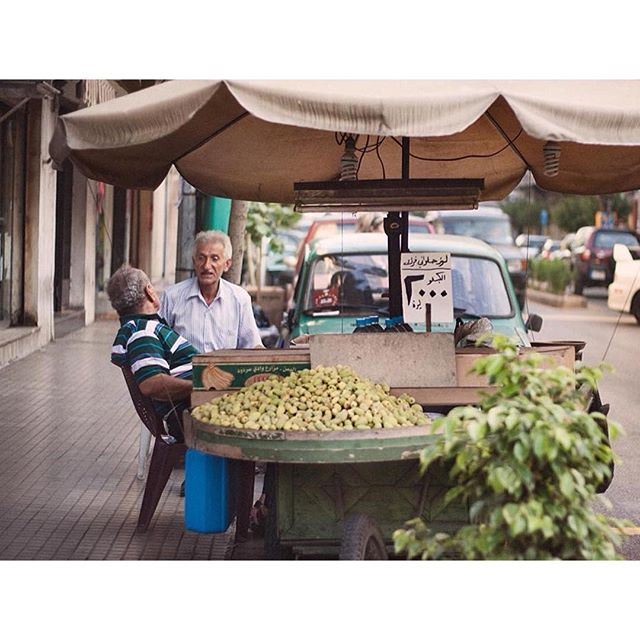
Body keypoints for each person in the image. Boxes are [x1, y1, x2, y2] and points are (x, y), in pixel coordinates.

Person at [107, 265, 198, 442]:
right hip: (187, 415)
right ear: (149, 291)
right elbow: (151, 384)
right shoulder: (143, 332)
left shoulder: (143, 327)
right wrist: (202, 386)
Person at [160, 230, 263, 353]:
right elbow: (156, 342)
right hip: (182, 371)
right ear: (194, 262)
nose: (206, 265)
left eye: (214, 259)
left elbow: (252, 346)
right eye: (201, 258)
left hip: (225, 372)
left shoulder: (240, 299)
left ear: (227, 264)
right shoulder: (172, 297)